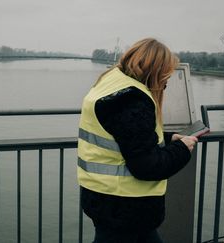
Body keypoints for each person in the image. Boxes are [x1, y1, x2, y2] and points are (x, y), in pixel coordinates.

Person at [77, 38, 198, 243]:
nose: (166, 81)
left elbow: (125, 135)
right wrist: (182, 149)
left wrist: (168, 139)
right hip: (125, 208)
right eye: (166, 74)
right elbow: (146, 166)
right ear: (155, 70)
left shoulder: (111, 84)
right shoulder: (132, 99)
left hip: (103, 199)